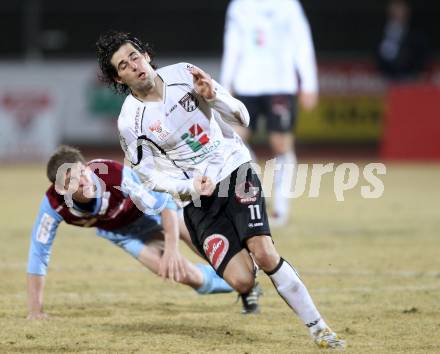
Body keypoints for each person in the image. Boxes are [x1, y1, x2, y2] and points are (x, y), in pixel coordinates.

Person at [95, 31, 345, 348]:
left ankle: (319, 328)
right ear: (119, 78)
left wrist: (213, 95)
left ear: (146, 54)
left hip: (234, 167)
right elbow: (147, 176)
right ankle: (247, 256)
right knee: (242, 279)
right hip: (198, 198)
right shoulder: (130, 121)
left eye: (134, 56)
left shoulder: (185, 74)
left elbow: (243, 115)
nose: (134, 65)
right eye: (124, 65)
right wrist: (186, 186)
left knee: (265, 251)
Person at [27, 145, 237, 320]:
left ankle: (242, 271)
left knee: (205, 245)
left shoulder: (113, 174)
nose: (83, 181)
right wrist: (35, 310)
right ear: (61, 190)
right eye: (72, 180)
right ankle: (237, 285)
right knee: (179, 273)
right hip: (124, 234)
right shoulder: (53, 206)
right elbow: (38, 252)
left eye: (82, 172)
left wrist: (172, 248)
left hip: (155, 211)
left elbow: (163, 204)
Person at [220, 0, 319, 226]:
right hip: (246, 83)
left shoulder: (289, 5)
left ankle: (281, 208)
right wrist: (226, 84)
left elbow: (302, 42)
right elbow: (232, 43)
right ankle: (253, 194)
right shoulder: (239, 5)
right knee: (235, 140)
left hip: (281, 84)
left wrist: (309, 83)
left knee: (280, 144)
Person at [377, 0, 429, 81]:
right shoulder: (382, 33)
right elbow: (378, 56)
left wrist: (415, 74)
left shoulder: (416, 35)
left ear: (407, 12)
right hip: (387, 78)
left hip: (410, 78)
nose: (398, 13)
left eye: (401, 9)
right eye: (395, 9)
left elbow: (421, 57)